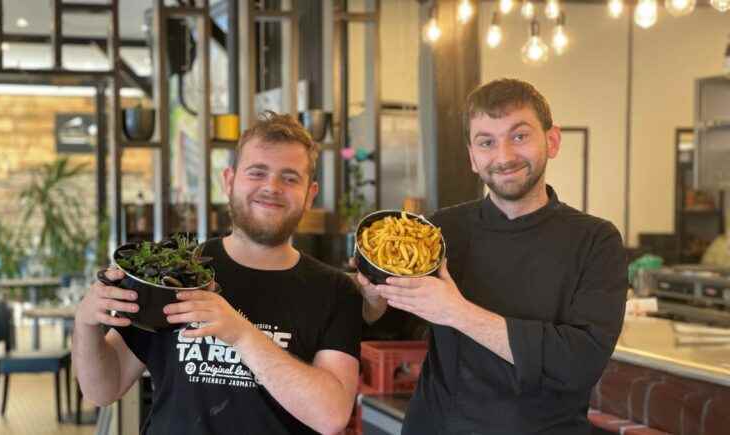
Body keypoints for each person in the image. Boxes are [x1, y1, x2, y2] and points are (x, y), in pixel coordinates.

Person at [359, 79, 628, 434]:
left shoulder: (596, 241)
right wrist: (372, 300)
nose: (504, 156)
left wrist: (458, 312)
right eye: (487, 142)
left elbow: (579, 363)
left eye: (519, 136)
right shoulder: (439, 230)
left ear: (552, 140)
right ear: (473, 157)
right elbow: (393, 325)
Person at [74, 111, 362, 435]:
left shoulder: (335, 291)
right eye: (257, 172)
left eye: (290, 178)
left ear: (310, 195)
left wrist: (241, 333)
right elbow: (103, 389)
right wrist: (85, 323)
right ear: (229, 180)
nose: (272, 187)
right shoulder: (176, 269)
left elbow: (331, 416)